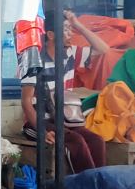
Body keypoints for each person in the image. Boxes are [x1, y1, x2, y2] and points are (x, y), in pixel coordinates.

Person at [20, 27, 105, 174]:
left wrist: (76, 23)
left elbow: (103, 49)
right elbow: (26, 102)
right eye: (65, 30)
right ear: (51, 34)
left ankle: (100, 181)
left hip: (66, 120)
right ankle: (87, 184)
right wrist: (43, 132)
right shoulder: (34, 61)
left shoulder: (70, 54)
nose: (70, 33)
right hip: (39, 123)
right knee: (76, 141)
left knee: (97, 141)